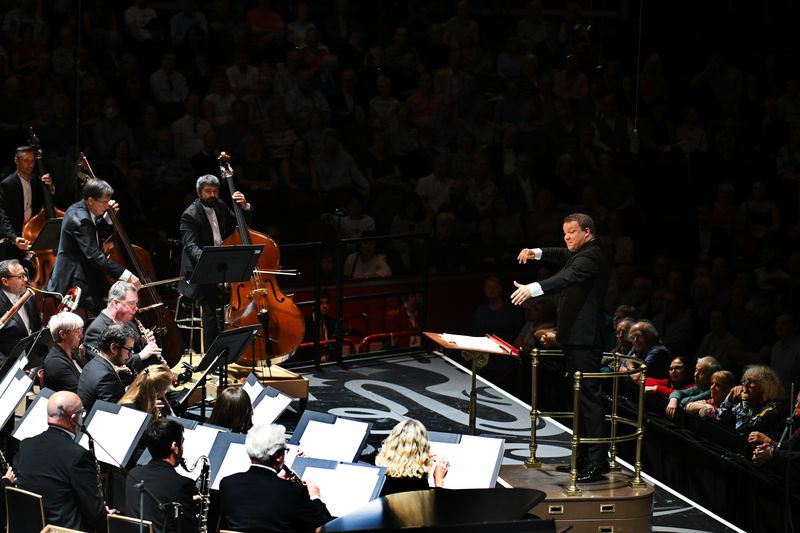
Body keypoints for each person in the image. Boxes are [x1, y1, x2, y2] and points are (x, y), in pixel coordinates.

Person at [510, 212, 610, 483]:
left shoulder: (591, 256)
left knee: (589, 401)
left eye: (571, 233)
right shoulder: (579, 252)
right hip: (575, 339)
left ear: (587, 232)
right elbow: (558, 254)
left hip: (586, 341)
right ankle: (582, 459)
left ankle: (598, 462)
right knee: (579, 401)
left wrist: (533, 289)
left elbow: (564, 278)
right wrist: (536, 252)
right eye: (564, 232)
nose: (566, 237)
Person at [14, 390, 108, 532]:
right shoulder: (79, 456)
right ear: (74, 418)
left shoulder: (25, 445)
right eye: (82, 413)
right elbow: (95, 516)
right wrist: (106, 515)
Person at [47, 178, 141, 314]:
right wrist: (126, 275)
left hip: (81, 277)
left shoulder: (79, 208)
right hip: (73, 285)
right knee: (108, 315)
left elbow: (92, 233)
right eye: (104, 202)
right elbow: (94, 255)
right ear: (91, 200)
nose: (107, 206)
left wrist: (108, 218)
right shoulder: (81, 219)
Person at [178, 174, 251, 347]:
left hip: (222, 265)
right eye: (208, 191)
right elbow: (191, 247)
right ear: (199, 192)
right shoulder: (190, 215)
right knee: (211, 310)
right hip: (200, 269)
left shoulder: (221, 205)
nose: (212, 195)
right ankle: (213, 355)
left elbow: (240, 225)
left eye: (215, 191)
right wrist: (210, 261)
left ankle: (235, 346)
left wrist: (245, 207)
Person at [219, 423, 332, 532]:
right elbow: (325, 525)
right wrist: (315, 497)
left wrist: (279, 482)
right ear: (278, 456)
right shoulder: (293, 491)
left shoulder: (227, 483)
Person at [125, 419, 199, 533]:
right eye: (182, 442)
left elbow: (153, 508)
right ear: (174, 446)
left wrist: (185, 502)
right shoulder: (182, 485)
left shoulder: (133, 474)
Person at [83, 281, 162, 373]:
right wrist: (141, 355)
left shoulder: (129, 323)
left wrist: (145, 344)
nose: (136, 308)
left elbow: (135, 353)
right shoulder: (95, 330)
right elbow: (104, 368)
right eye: (132, 303)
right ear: (116, 303)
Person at [0, 145, 55, 255]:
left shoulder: (37, 181)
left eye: (32, 161)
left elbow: (47, 204)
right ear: (16, 161)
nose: (30, 165)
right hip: (15, 237)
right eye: (26, 161)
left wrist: (51, 188)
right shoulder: (7, 184)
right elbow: (3, 215)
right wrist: (14, 238)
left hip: (33, 235)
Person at [375, 419, 449, 496]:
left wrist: (421, 457)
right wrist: (439, 480)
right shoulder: (416, 481)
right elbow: (434, 506)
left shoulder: (378, 465)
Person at [77, 323, 136, 413]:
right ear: (113, 348)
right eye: (129, 350)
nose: (131, 354)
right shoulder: (106, 377)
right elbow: (115, 414)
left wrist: (127, 389)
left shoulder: (92, 364)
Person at [717, 365, 785, 437]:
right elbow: (720, 419)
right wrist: (730, 395)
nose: (745, 385)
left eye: (751, 382)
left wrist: (746, 402)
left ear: (765, 386)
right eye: (745, 381)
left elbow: (743, 431)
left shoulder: (771, 408)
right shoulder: (740, 400)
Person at [0, 259, 40, 364]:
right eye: (20, 276)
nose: (26, 279)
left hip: (33, 358)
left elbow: (36, 327)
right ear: (5, 281)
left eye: (25, 274)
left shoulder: (28, 296)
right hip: (10, 364)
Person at [43, 311, 84, 392]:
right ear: (63, 334)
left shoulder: (72, 354)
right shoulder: (55, 363)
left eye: (81, 330)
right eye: (77, 331)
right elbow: (80, 394)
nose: (81, 335)